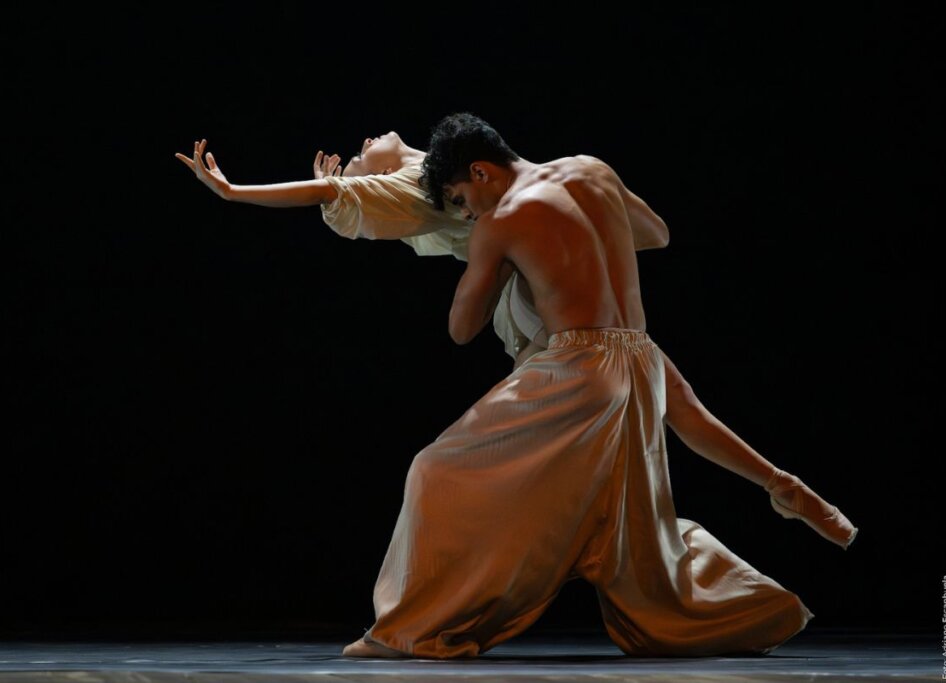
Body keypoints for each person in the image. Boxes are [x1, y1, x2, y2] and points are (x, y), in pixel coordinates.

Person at [175, 135, 858, 554]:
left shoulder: (472, 177)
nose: (361, 146)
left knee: (660, 394)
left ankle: (776, 484)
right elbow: (327, 187)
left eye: (360, 149)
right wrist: (238, 191)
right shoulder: (423, 187)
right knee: (658, 393)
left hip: (552, 316)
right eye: (359, 155)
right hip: (550, 306)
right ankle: (775, 481)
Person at [337, 112, 829, 658]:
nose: (465, 212)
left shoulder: (500, 219)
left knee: (435, 471)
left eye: (459, 199)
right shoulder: (592, 170)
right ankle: (765, 549)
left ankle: (409, 629)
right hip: (638, 354)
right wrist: (570, 245)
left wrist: (497, 254)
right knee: (627, 526)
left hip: (580, 364)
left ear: (481, 172)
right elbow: (655, 233)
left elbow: (460, 330)